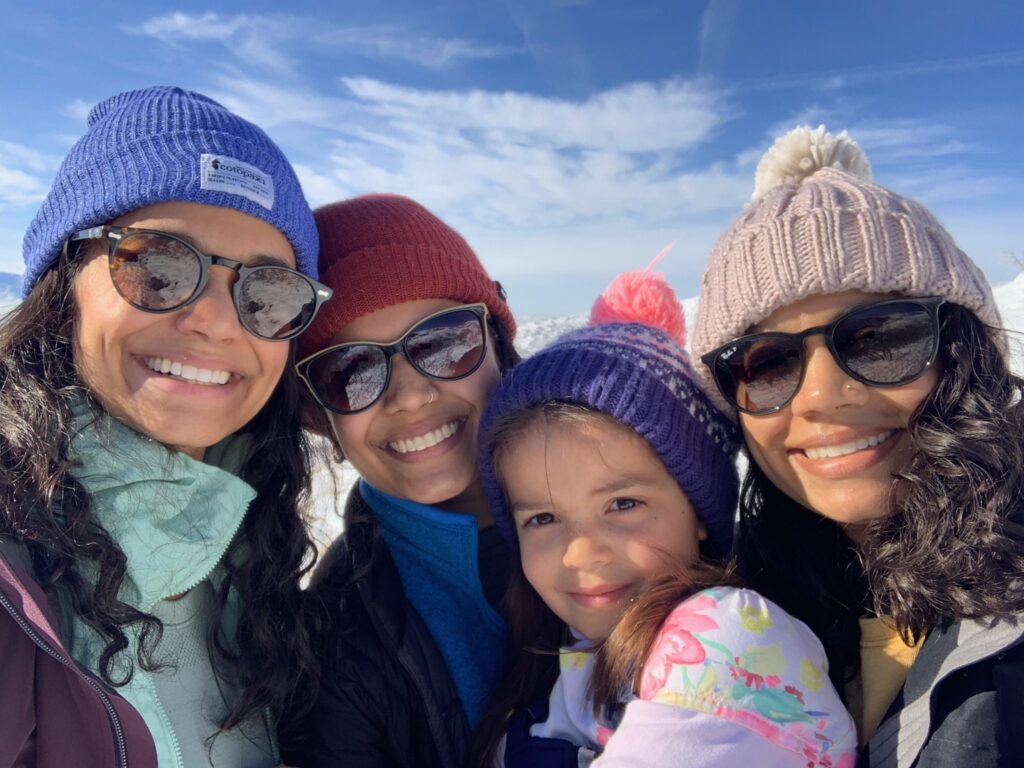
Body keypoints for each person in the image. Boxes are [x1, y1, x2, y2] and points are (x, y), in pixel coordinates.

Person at [0, 86, 333, 768]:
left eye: (267, 293)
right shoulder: (15, 583)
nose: (214, 319)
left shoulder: (254, 548)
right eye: (156, 266)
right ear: (62, 289)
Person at [693, 125, 1024, 767]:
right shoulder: (744, 613)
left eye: (879, 338)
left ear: (963, 351)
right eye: (767, 365)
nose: (821, 396)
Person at [471, 266, 857, 767]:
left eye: (623, 504)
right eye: (543, 518)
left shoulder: (730, 640)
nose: (583, 552)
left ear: (698, 510)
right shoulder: (552, 669)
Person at [283, 194, 520, 768]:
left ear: (497, 343)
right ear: (321, 416)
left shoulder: (635, 503)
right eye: (353, 371)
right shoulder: (332, 645)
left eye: (441, 342)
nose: (411, 395)